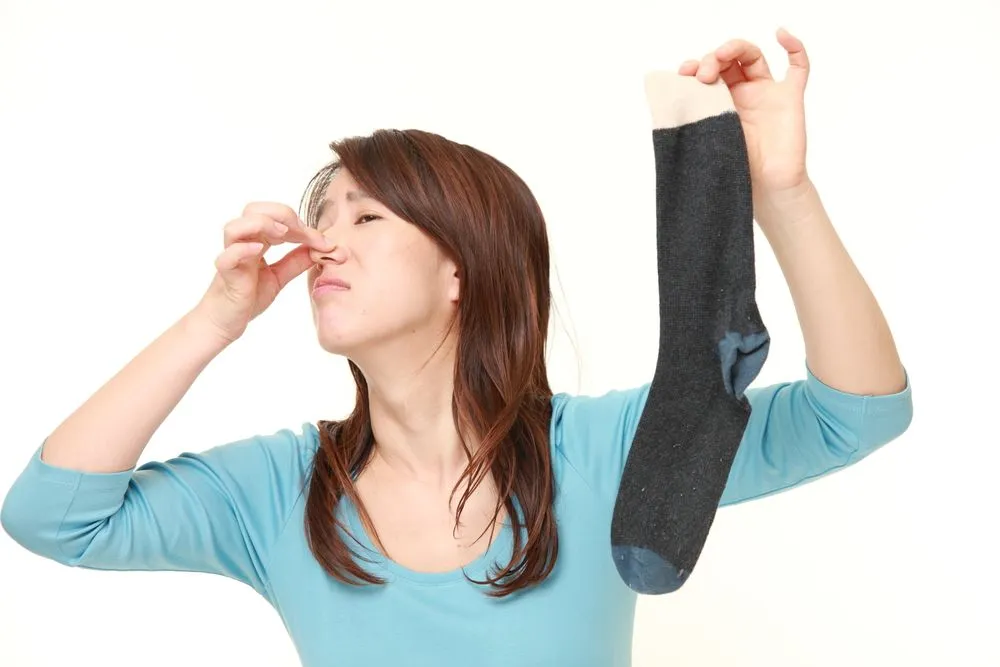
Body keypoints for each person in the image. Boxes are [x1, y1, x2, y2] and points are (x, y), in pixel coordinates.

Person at [1, 29, 911, 667]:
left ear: (460, 272)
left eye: (365, 214)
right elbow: (52, 514)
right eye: (319, 217)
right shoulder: (282, 489)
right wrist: (214, 319)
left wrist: (781, 189)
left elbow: (857, 412)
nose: (324, 241)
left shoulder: (604, 454)